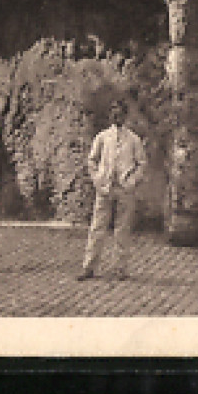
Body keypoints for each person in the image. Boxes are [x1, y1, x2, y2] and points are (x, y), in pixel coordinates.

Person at [78, 100, 147, 281]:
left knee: (122, 229)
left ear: (125, 116)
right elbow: (92, 160)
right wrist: (98, 179)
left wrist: (132, 181)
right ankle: (89, 267)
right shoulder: (102, 137)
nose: (117, 116)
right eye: (113, 113)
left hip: (125, 189)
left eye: (120, 113)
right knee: (97, 227)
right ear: (110, 115)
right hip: (105, 188)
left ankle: (120, 269)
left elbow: (141, 164)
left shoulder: (133, 139)